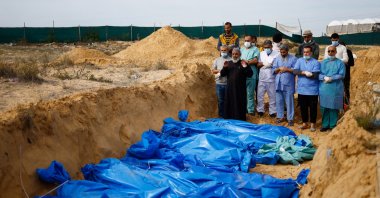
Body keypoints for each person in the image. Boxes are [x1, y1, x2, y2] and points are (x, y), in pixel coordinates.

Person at [221, 48, 253, 121]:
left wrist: (245, 67)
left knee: (239, 104)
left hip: (240, 90)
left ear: (240, 55)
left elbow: (250, 74)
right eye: (233, 54)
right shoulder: (228, 63)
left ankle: (239, 120)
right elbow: (222, 74)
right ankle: (229, 119)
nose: (234, 55)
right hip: (230, 89)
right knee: (229, 104)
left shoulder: (243, 63)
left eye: (236, 54)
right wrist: (224, 68)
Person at [293, 46, 321, 131]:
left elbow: (316, 75)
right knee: (303, 107)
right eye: (304, 52)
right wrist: (303, 72)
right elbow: (295, 71)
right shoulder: (299, 60)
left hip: (312, 90)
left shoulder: (316, 62)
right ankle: (305, 123)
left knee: (313, 108)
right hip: (302, 89)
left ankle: (312, 124)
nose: (306, 53)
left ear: (311, 53)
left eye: (308, 52)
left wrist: (311, 75)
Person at [319, 46, 346, 131]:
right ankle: (325, 125)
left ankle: (332, 125)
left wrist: (331, 78)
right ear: (327, 52)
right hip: (324, 88)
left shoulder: (340, 63)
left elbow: (342, 75)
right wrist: (324, 77)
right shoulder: (323, 62)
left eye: (332, 51)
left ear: (336, 52)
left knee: (334, 107)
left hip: (335, 88)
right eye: (329, 51)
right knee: (324, 107)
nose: (330, 53)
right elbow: (318, 74)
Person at [272, 44, 298, 126]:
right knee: (279, 101)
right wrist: (278, 69)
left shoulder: (293, 59)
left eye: (284, 52)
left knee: (289, 101)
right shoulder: (277, 58)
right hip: (278, 83)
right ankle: (280, 116)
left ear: (287, 51)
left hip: (288, 84)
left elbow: (296, 70)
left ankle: (290, 118)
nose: (282, 53)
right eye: (281, 52)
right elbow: (273, 70)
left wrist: (287, 69)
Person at [256, 40, 279, 117]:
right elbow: (258, 64)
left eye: (268, 47)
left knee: (272, 95)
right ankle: (260, 110)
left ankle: (272, 111)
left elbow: (276, 64)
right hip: (262, 78)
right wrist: (265, 63)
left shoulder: (276, 54)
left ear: (271, 46)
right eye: (265, 47)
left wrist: (270, 64)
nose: (266, 49)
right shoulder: (261, 53)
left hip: (271, 78)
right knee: (260, 95)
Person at [241, 35, 260, 115]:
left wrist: (247, 62)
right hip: (242, 74)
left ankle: (251, 110)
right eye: (245, 40)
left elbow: (255, 60)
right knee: (243, 93)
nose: (246, 42)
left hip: (251, 74)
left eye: (248, 40)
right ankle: (244, 109)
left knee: (250, 94)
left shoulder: (255, 49)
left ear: (252, 41)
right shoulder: (241, 49)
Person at [212, 45, 232, 118]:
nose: (223, 52)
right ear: (220, 51)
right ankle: (221, 115)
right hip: (219, 84)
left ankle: (228, 115)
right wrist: (220, 71)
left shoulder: (231, 60)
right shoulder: (216, 60)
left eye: (225, 50)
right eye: (222, 50)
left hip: (228, 84)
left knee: (229, 100)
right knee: (220, 101)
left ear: (228, 51)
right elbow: (213, 70)